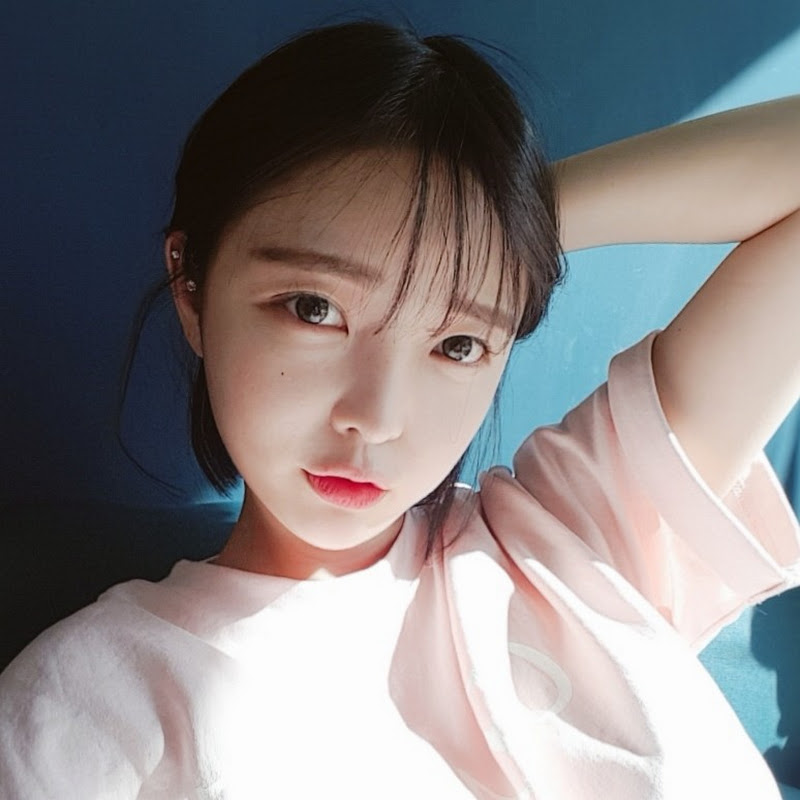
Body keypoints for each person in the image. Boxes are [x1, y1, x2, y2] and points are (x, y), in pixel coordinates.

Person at [1, 18, 799, 799]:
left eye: (458, 343)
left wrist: (503, 225)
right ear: (191, 284)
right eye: (314, 309)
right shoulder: (84, 710)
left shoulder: (575, 538)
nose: (376, 418)